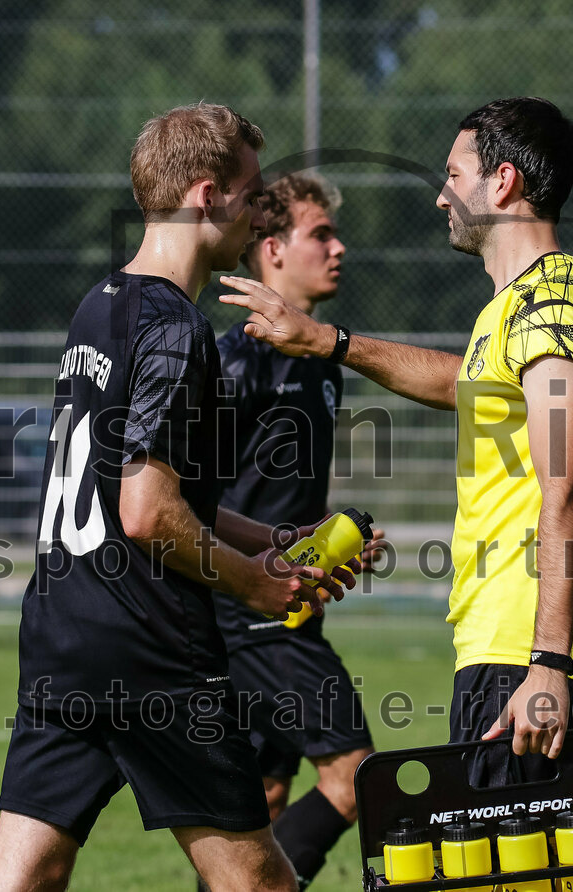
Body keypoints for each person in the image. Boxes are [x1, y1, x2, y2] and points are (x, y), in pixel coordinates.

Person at [0, 103, 358, 892]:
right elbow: (147, 513)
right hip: (149, 645)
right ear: (207, 194)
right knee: (261, 883)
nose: (259, 213)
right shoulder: (176, 326)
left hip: (61, 630)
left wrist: (269, 545)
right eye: (251, 195)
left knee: (24, 875)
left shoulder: (101, 305)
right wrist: (254, 584)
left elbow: (154, 492)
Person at [218, 97, 573, 783]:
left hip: (527, 648)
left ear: (503, 183)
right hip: (499, 644)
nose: (442, 196)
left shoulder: (556, 303)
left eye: (454, 174)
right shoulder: (516, 309)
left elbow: (570, 488)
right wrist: (329, 341)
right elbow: (460, 383)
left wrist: (549, 664)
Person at [209, 173, 383, 890]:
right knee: (356, 779)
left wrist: (332, 537)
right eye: (322, 235)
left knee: (261, 806)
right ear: (273, 250)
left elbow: (270, 495)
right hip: (253, 612)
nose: (339, 248)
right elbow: (188, 494)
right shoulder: (239, 359)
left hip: (288, 599)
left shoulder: (317, 365)